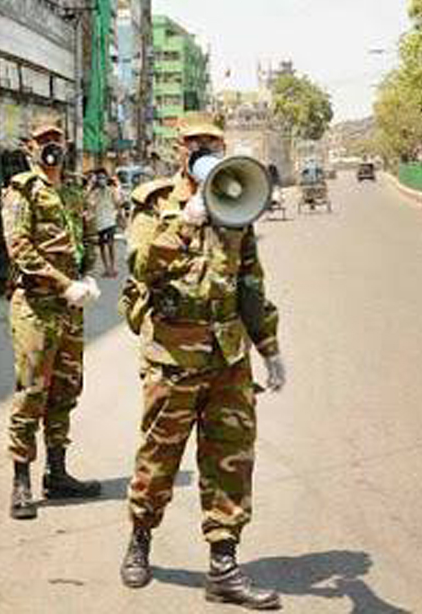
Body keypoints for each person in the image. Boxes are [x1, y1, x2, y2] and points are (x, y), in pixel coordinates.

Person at [118, 112, 287, 608]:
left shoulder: (237, 196)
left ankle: (223, 566)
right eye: (194, 142)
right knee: (159, 456)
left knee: (230, 460)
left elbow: (251, 283)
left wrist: (269, 347)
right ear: (179, 150)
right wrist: (184, 223)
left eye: (211, 141)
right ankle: (140, 540)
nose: (202, 148)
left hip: (229, 356)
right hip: (172, 354)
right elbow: (140, 265)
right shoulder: (153, 203)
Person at [1, 116, 102, 521]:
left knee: (66, 389)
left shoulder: (74, 190)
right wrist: (63, 284)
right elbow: (20, 248)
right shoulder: (22, 191)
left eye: (56, 139)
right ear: (30, 147)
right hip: (37, 306)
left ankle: (56, 473)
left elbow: (87, 236)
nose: (51, 146)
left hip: (71, 308)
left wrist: (86, 274)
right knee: (32, 391)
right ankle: (21, 481)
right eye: (43, 140)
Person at [87, 169, 123, 278]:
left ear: (106, 179)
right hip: (100, 222)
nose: (101, 180)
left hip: (110, 221)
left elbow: (118, 202)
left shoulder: (111, 191)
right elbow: (90, 204)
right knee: (102, 246)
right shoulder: (94, 192)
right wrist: (90, 188)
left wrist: (117, 188)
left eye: (103, 178)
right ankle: (106, 268)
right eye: (100, 178)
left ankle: (112, 268)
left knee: (111, 245)